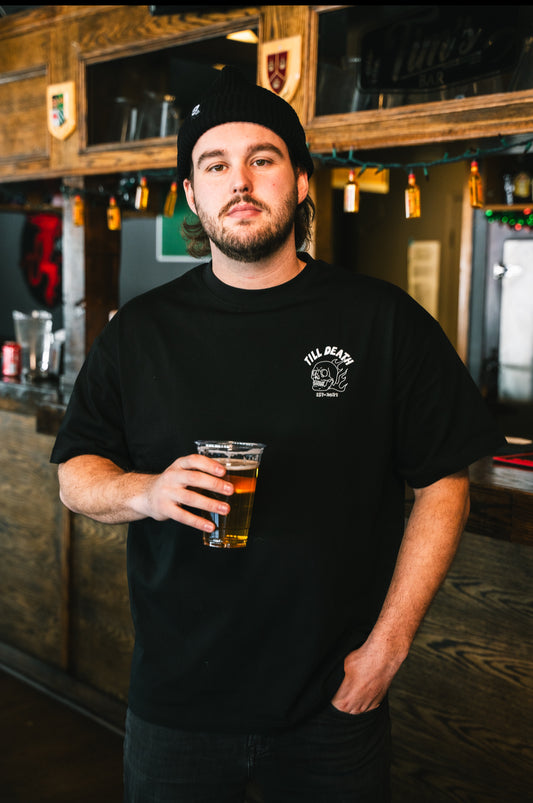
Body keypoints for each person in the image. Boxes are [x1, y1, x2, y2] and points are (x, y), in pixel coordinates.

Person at [51, 67, 504, 802]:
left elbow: (443, 479)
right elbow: (75, 472)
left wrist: (386, 650)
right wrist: (149, 491)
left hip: (333, 698)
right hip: (178, 702)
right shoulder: (141, 331)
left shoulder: (380, 321)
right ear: (192, 196)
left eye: (262, 159)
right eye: (214, 164)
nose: (240, 181)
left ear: (298, 181)